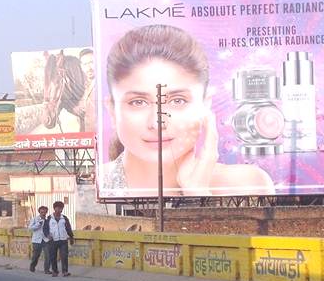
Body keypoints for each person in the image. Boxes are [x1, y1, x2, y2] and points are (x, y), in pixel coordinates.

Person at [99, 24, 274, 197]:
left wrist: (198, 194)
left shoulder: (247, 185)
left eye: (177, 100)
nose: (157, 123)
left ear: (205, 107)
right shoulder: (95, 185)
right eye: (138, 102)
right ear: (112, 110)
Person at [44, 201, 75, 277]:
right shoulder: (49, 218)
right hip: (53, 240)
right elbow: (45, 229)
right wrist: (48, 235)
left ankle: (65, 271)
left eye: (61, 208)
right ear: (54, 209)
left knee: (64, 256)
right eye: (57, 208)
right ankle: (55, 271)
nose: (59, 210)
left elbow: (68, 228)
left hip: (63, 240)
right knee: (53, 256)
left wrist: (71, 237)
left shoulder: (64, 218)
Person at [28, 205, 50, 273]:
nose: (43, 213)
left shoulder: (47, 221)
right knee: (36, 255)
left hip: (45, 240)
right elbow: (30, 228)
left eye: (44, 212)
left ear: (46, 212)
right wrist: (38, 224)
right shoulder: (35, 219)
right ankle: (32, 266)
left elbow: (49, 229)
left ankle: (47, 270)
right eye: (42, 212)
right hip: (37, 240)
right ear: (39, 212)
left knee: (48, 255)